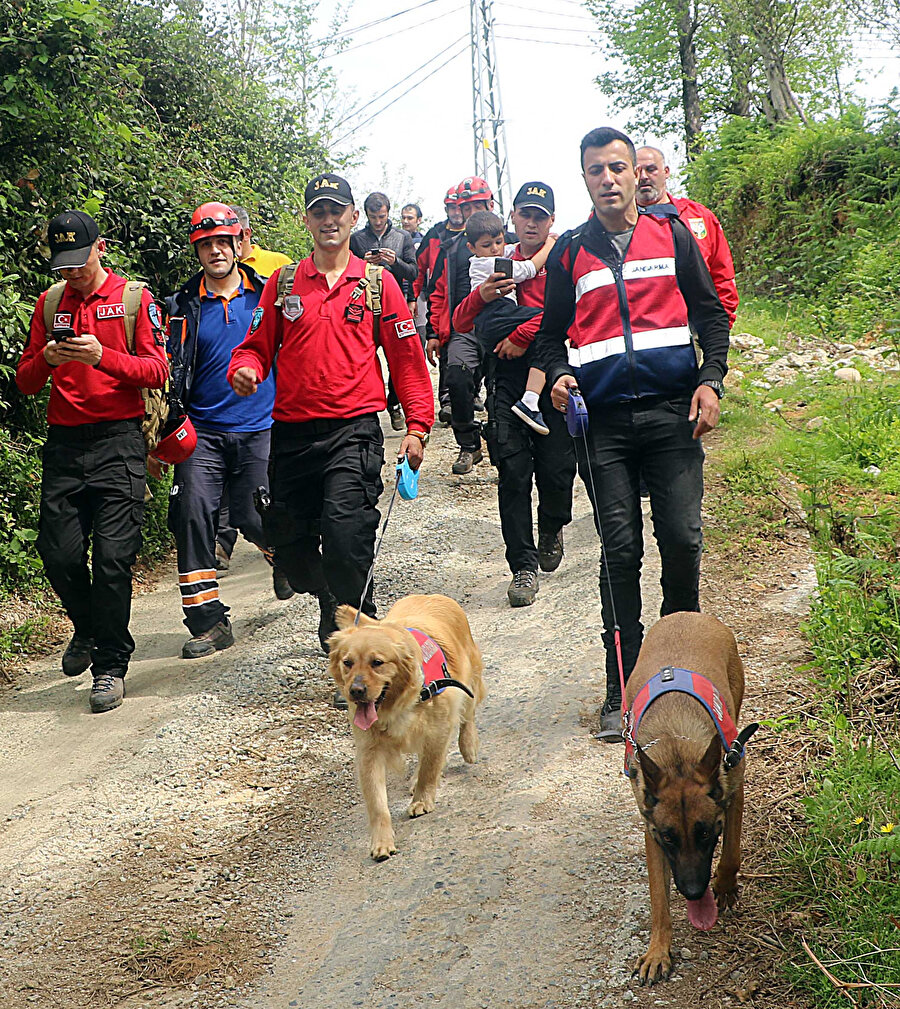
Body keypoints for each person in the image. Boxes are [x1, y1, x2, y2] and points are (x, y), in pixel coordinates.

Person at [535, 127, 730, 740]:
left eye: (618, 167)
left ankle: (682, 677)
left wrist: (711, 382)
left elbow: (710, 316)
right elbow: (549, 336)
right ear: (586, 179)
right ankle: (622, 689)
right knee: (620, 551)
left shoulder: (671, 234)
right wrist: (560, 375)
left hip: (674, 414)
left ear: (634, 173)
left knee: (682, 540)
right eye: (597, 171)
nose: (610, 178)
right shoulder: (569, 252)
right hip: (605, 425)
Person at [227, 173, 434, 681]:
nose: (329, 220)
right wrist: (246, 368)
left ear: (353, 218)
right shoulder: (284, 283)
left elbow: (407, 361)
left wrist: (417, 426)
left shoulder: (378, 284)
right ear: (307, 220)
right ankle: (330, 597)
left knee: (346, 538)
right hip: (292, 435)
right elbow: (255, 345)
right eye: (319, 212)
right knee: (293, 556)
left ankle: (354, 625)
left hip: (353, 432)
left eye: (337, 211)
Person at [15, 210, 168, 713]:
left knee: (112, 561)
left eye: (79, 261)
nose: (72, 273)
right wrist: (49, 361)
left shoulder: (133, 299)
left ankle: (110, 665)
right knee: (57, 553)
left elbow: (156, 370)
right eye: (63, 265)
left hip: (120, 442)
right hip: (64, 443)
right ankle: (89, 625)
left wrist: (102, 356)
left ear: (100, 248)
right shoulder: (50, 302)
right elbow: (26, 381)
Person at [162, 202, 282, 661]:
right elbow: (167, 369)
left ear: (238, 244)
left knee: (257, 517)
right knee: (192, 517)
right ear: (197, 250)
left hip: (261, 427)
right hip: (201, 432)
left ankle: (283, 558)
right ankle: (208, 622)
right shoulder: (180, 305)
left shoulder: (269, 294)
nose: (214, 251)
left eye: (221, 242)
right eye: (205, 244)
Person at [453, 183, 577, 607]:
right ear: (513, 216)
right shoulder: (496, 262)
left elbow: (578, 316)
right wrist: (479, 299)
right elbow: (462, 319)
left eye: (540, 216)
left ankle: (552, 526)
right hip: (505, 379)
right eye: (525, 214)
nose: (531, 222)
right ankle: (522, 566)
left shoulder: (567, 256)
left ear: (551, 221)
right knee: (513, 472)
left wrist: (525, 335)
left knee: (558, 469)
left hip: (557, 375)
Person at [214, 206, 293, 575]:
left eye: (232, 237)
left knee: (255, 501)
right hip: (212, 416)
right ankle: (221, 542)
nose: (224, 247)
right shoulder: (203, 287)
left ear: (245, 235)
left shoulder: (275, 271)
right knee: (212, 498)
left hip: (263, 410)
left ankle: (278, 552)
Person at [427, 176, 510, 475]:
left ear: (490, 203)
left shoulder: (509, 243)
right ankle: (469, 444)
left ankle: (504, 448)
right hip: (464, 328)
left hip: (504, 329)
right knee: (458, 378)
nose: (472, 211)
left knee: (500, 391)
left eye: (478, 205)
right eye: (466, 207)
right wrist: (433, 333)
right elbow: (437, 291)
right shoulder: (451, 249)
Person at [453, 207, 555, 437]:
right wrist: (549, 245)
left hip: (494, 321)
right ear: (472, 248)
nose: (495, 248)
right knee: (549, 321)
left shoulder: (495, 254)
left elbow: (508, 249)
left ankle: (531, 398)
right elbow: (529, 269)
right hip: (497, 316)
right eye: (487, 245)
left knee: (543, 337)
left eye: (498, 241)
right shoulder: (489, 264)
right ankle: (530, 400)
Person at [635, 146, 739, 327]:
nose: (644, 176)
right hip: (641, 332)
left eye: (651, 169)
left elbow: (721, 274)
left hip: (695, 328)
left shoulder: (698, 216)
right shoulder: (616, 223)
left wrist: (720, 327)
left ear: (666, 172)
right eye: (637, 171)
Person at [350, 193, 419, 431]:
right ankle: (363, 410)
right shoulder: (356, 239)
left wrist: (394, 262)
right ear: (365, 215)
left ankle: (395, 404)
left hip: (394, 303)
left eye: (382, 216)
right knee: (364, 358)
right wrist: (363, 261)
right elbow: (345, 269)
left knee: (397, 360)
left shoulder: (402, 237)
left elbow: (413, 272)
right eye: (373, 217)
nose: (378, 221)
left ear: (388, 212)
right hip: (364, 305)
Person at [415, 186, 465, 421]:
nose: (456, 211)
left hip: (472, 298)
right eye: (451, 207)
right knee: (447, 348)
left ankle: (470, 397)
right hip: (442, 296)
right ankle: (447, 400)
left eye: (459, 207)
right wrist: (411, 298)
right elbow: (419, 268)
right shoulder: (435, 234)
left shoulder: (476, 233)